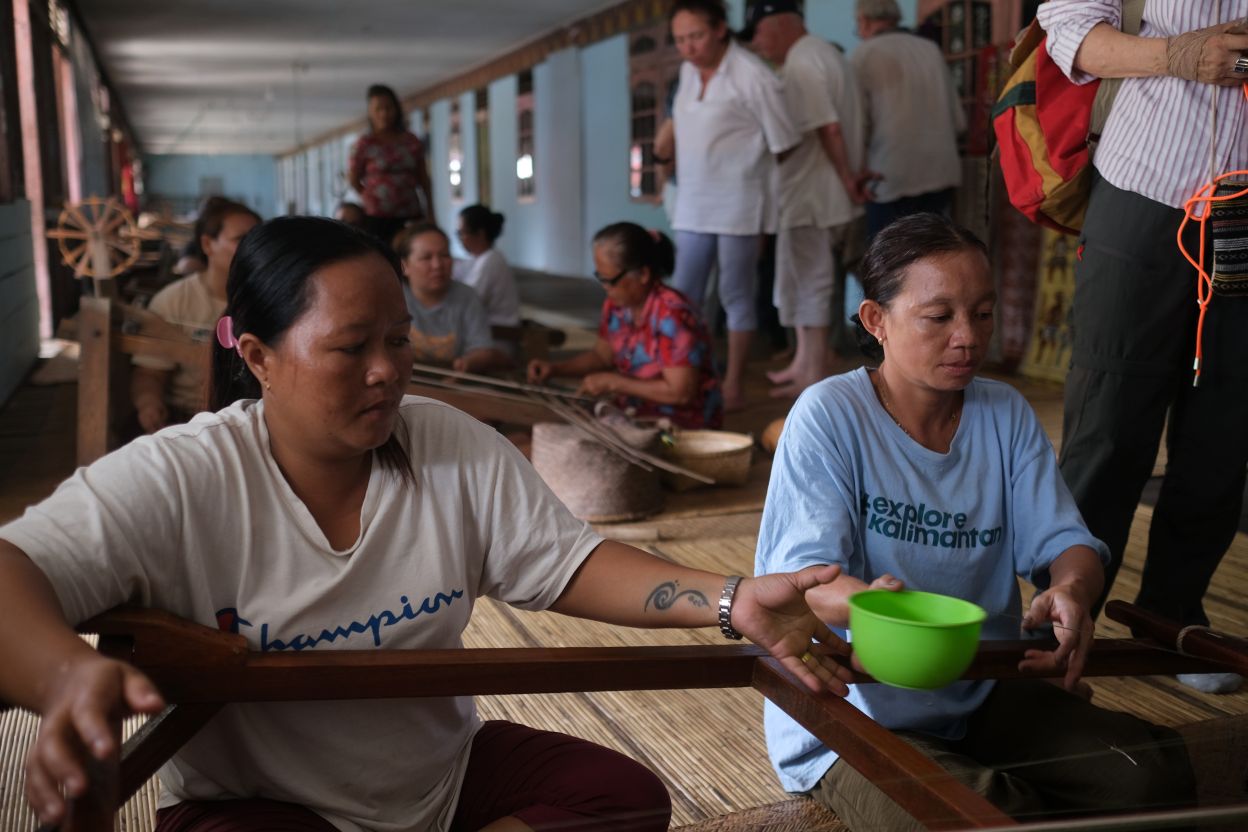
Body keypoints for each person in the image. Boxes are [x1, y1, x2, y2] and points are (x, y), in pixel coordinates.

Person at [0, 215, 856, 832]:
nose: (386, 373)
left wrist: (732, 599)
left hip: (439, 785)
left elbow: (570, 563)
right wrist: (66, 674)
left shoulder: (443, 441)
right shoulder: (185, 477)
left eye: (401, 340)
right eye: (350, 347)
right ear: (257, 357)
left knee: (622, 797)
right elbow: (12, 570)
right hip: (262, 806)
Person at [755, 214, 1197, 831]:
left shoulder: (1004, 413)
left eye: (983, 314)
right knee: (988, 817)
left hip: (981, 684)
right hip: (848, 708)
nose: (967, 337)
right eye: (939, 317)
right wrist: (870, 603)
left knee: (1149, 771)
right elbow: (805, 582)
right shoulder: (829, 416)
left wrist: (1071, 588)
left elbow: (1066, 543)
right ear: (875, 320)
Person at [1038, 1, 1248, 694]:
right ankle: (1063, 615)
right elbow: (1070, 29)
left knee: (1226, 425)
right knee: (1109, 420)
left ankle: (1171, 610)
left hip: (1244, 211)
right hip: (1143, 189)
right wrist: (1177, 55)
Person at [668, 0, 799, 410]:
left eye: (696, 36)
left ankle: (733, 383)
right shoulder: (688, 73)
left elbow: (785, 142)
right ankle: (687, 375)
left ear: (721, 29)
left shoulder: (752, 75)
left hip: (739, 203)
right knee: (683, 295)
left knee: (735, 295)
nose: (688, 47)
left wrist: (757, 187)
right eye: (680, 40)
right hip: (692, 201)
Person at [748, 1, 866, 397]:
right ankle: (803, 363)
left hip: (814, 193)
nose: (757, 42)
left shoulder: (801, 63)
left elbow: (829, 128)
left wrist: (848, 179)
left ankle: (811, 373)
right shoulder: (825, 53)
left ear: (782, 25)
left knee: (811, 281)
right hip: (820, 191)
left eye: (760, 32)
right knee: (802, 279)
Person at [528, 223, 722, 430]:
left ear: (643, 274)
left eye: (610, 280)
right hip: (631, 413)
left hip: (679, 427)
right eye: (600, 278)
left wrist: (615, 383)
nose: (605, 287)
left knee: (567, 447)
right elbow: (602, 357)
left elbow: (680, 393)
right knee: (543, 434)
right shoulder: (616, 306)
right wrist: (555, 369)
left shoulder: (673, 314)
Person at [130, 199, 261, 433]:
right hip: (191, 422)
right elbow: (150, 373)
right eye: (240, 240)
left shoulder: (270, 298)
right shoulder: (173, 302)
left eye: (257, 239)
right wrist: (149, 403)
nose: (253, 248)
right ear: (208, 244)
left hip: (258, 418)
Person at [851, 0, 964, 239]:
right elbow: (959, 121)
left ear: (864, 21)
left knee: (888, 265)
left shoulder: (865, 54)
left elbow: (857, 126)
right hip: (940, 172)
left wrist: (855, 174)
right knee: (931, 256)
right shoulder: (929, 49)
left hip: (890, 175)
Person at [395, 223, 511, 374]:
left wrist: (468, 362)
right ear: (404, 265)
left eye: (444, 255)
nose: (437, 265)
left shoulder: (467, 296)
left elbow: (482, 348)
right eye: (426, 258)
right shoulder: (395, 297)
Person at [348, 84, 434, 245]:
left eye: (388, 108)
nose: (384, 114)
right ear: (370, 112)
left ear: (396, 109)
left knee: (410, 253)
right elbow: (353, 178)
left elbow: (424, 180)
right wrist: (371, 197)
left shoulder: (411, 141)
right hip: (377, 216)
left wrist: (431, 212)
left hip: (409, 211)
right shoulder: (364, 143)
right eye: (378, 109)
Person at [454, 204, 521, 331]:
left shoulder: (490, 261)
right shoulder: (480, 259)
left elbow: (470, 301)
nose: (460, 239)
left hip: (498, 335)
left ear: (480, 233)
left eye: (462, 233)